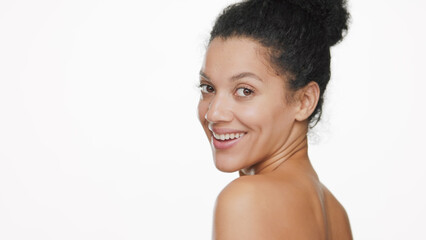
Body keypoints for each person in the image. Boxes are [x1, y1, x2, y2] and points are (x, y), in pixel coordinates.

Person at [197, 0, 352, 239]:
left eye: (245, 91)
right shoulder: (336, 214)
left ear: (304, 101)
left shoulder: (245, 200)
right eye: (208, 88)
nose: (213, 113)